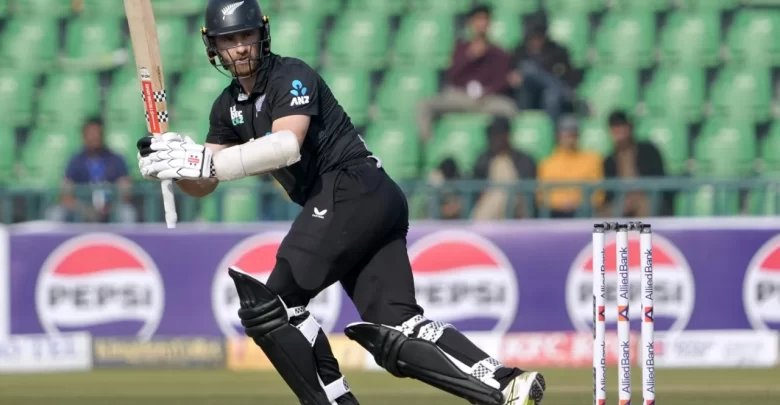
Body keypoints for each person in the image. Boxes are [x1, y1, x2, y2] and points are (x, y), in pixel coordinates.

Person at [135, 1, 545, 405]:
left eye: (246, 36)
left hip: (352, 187)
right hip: (362, 202)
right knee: (399, 328)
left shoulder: (291, 74)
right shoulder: (227, 107)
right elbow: (205, 180)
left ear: (262, 35)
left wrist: (200, 161)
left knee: (272, 307)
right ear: (214, 48)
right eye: (229, 40)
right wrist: (171, 165)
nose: (240, 48)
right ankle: (506, 385)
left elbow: (285, 145)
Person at [416, 4, 518, 142]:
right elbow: (453, 76)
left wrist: (487, 92)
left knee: (509, 109)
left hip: (485, 100)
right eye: (478, 19)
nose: (481, 23)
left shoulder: (498, 53)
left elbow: (500, 80)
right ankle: (429, 147)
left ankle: (502, 149)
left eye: (485, 19)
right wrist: (470, 56)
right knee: (424, 105)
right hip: (460, 97)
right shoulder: (461, 48)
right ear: (470, 23)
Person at [47, 117, 136, 223]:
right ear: (84, 136)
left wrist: (111, 205)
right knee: (56, 213)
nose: (94, 137)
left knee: (127, 213)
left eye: (98, 133)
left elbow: (125, 190)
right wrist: (83, 209)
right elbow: (65, 194)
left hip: (111, 207)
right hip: (81, 208)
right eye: (91, 134)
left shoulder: (116, 159)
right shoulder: (75, 161)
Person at [508, 14, 581, 123]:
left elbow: (570, 77)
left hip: (553, 95)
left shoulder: (557, 51)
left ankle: (549, 130)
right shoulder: (519, 52)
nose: (536, 40)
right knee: (526, 73)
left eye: (540, 36)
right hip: (528, 95)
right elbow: (510, 77)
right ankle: (526, 124)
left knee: (551, 95)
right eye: (533, 37)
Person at [600, 111, 671, 217]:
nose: (619, 130)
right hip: (620, 203)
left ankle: (644, 233)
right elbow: (608, 192)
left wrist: (635, 196)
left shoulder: (648, 151)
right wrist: (623, 203)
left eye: (622, 125)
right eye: (615, 127)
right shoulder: (609, 161)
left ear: (629, 127)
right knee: (601, 215)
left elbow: (658, 178)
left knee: (644, 205)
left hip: (646, 198)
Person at [536, 115, 603, 218]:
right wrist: (561, 203)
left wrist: (577, 202)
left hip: (585, 213)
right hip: (555, 214)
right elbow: (541, 196)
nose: (570, 138)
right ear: (558, 135)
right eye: (566, 133)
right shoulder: (547, 163)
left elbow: (598, 193)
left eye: (573, 134)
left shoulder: (592, 160)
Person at [471, 116, 537, 220]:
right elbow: (475, 188)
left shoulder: (523, 159)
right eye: (491, 135)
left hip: (518, 208)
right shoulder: (484, 159)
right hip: (489, 207)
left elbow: (528, 189)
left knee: (503, 190)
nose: (494, 139)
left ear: (507, 135)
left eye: (498, 135)